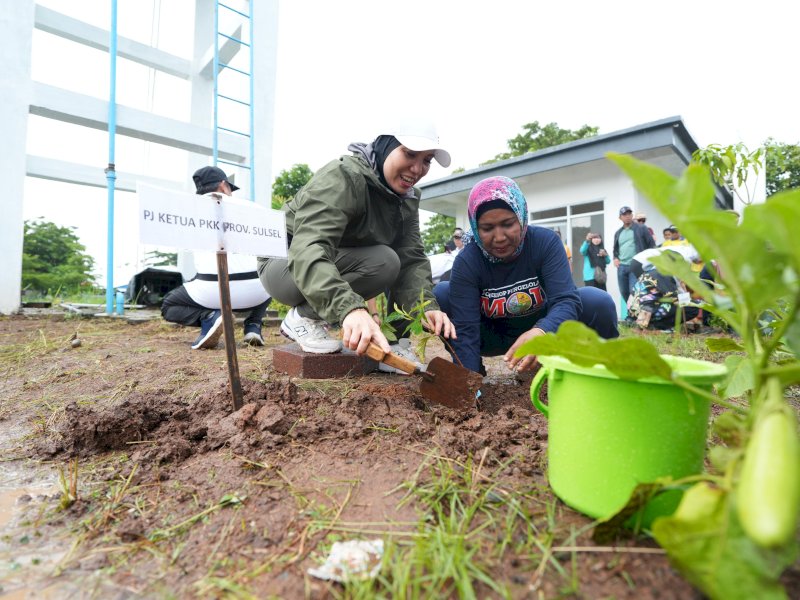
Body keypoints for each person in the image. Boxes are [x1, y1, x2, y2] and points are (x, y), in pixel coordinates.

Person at [257, 118, 455, 367]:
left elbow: (411, 258)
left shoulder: (406, 198)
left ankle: (394, 345)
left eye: (426, 160)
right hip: (284, 260)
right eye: (410, 154)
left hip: (331, 258)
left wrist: (425, 306)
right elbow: (309, 246)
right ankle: (302, 317)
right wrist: (349, 309)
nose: (417, 169)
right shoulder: (344, 177)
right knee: (384, 261)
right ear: (385, 147)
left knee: (393, 260)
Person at [433, 176, 619, 375]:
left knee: (597, 301)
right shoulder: (468, 260)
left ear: (521, 218)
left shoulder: (544, 243)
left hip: (543, 329)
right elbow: (466, 330)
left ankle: (597, 371)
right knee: (443, 293)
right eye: (487, 228)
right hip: (492, 336)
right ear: (476, 228)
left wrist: (542, 331)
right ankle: (474, 372)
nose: (500, 237)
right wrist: (468, 383)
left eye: (508, 224)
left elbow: (566, 301)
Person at [161, 166, 271, 349]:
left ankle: (210, 317)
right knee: (266, 274)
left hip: (213, 293)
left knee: (168, 305)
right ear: (223, 185)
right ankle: (254, 325)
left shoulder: (188, 210)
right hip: (259, 293)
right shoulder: (252, 208)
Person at [613, 206, 656, 307]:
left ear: (632, 216)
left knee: (634, 290)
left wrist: (649, 262)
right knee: (624, 291)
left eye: (629, 214)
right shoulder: (618, 233)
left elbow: (651, 245)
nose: (627, 216)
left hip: (636, 265)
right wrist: (615, 258)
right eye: (624, 215)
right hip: (622, 266)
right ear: (620, 218)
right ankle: (632, 311)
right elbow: (615, 249)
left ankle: (636, 315)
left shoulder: (641, 228)